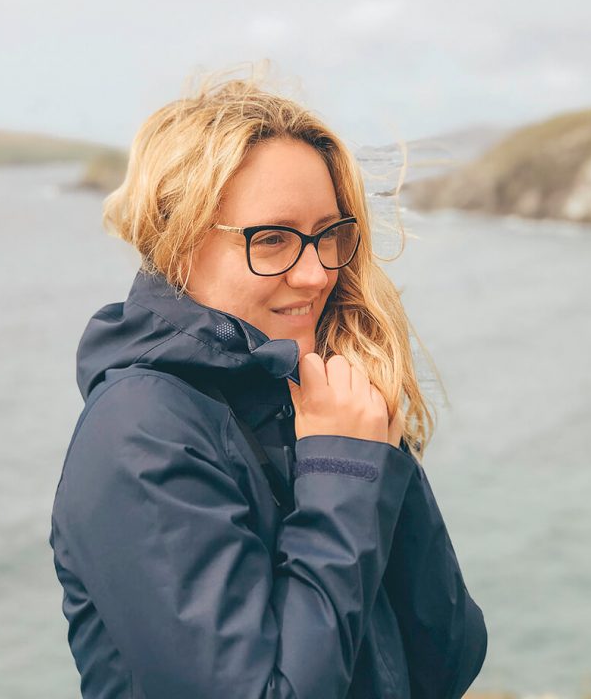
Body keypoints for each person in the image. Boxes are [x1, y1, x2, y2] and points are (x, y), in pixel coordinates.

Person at [50, 69, 487, 699]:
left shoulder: (309, 398)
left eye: (329, 234)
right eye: (273, 239)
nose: (315, 273)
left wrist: (380, 462)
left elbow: (447, 661)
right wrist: (344, 473)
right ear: (176, 241)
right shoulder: (142, 433)